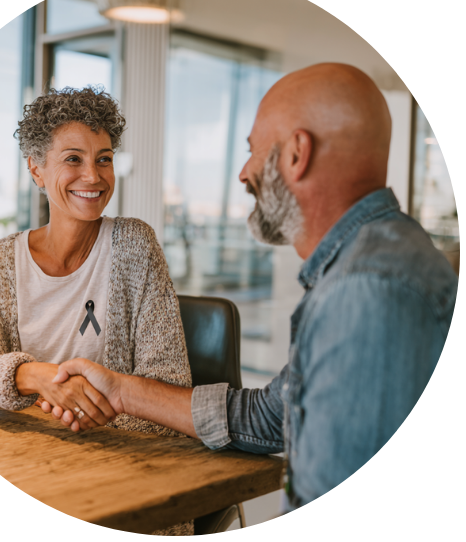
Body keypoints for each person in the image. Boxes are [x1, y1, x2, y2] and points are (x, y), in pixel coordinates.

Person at [41, 64, 458, 512]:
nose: (243, 173)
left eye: (254, 150)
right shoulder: (369, 263)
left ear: (297, 154)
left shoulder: (367, 292)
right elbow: (266, 417)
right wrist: (121, 391)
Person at [0, 86, 194, 536]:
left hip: (125, 478)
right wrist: (34, 377)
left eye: (104, 158)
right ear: (37, 169)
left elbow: (170, 390)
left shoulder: (135, 245)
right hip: (29, 468)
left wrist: (80, 413)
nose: (93, 176)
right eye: (73, 159)